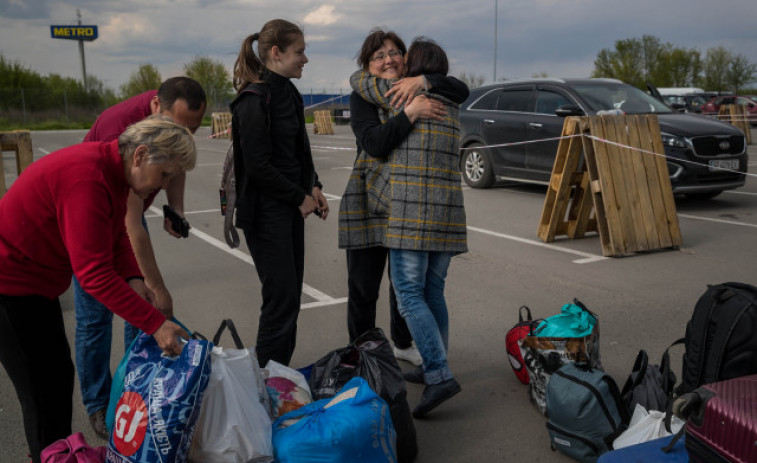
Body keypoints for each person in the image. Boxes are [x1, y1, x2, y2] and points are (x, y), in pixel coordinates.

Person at [0, 116, 195, 463]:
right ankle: (49, 456)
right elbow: (93, 274)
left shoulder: (113, 173)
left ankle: (53, 454)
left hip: (36, 286)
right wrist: (154, 323)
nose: (164, 186)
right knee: (41, 390)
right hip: (10, 285)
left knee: (57, 377)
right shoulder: (86, 178)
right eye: (164, 174)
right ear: (140, 155)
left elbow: (116, 234)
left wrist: (135, 279)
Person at [73, 76, 206, 439]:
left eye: (192, 129)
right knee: (96, 315)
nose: (186, 133)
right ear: (156, 109)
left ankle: (140, 389)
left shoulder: (170, 124)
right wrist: (156, 289)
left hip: (119, 217)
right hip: (94, 218)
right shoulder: (123, 131)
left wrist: (174, 208)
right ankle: (99, 406)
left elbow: (175, 160)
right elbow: (129, 225)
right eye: (180, 127)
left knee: (142, 307)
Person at [349, 37, 468, 418]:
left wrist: (420, 90)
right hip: (440, 212)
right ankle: (421, 362)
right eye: (378, 56)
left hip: (409, 213)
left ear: (410, 64)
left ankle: (438, 373)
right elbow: (371, 138)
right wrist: (418, 98)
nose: (387, 60)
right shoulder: (443, 103)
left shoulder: (401, 93)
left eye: (393, 53)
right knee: (427, 292)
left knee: (409, 296)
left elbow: (380, 140)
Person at [230, 19, 328, 368]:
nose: (305, 59)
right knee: (280, 300)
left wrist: (313, 185)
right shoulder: (253, 98)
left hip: (288, 209)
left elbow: (298, 151)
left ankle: (280, 379)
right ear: (276, 53)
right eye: (299, 52)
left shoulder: (288, 91)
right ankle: (265, 388)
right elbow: (258, 165)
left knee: (289, 300)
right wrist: (297, 197)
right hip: (266, 213)